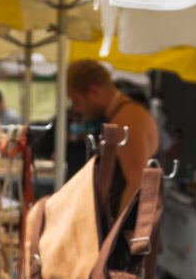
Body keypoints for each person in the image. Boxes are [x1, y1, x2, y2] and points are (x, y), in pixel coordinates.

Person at [66, 60, 160, 213]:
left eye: (77, 101)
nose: (76, 109)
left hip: (124, 230)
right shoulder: (122, 115)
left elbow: (137, 183)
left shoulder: (126, 120)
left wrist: (115, 233)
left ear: (94, 92)